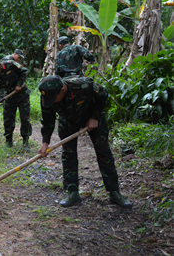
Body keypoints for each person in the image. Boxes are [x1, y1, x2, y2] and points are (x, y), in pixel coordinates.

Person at [37, 75, 132, 209]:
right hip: (68, 121)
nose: (51, 102)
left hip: (92, 118)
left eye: (53, 99)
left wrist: (94, 116)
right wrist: (45, 142)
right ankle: (72, 192)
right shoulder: (48, 96)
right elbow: (47, 120)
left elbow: (104, 95)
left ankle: (114, 192)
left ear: (63, 89)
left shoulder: (83, 85)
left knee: (104, 153)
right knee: (68, 154)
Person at [0, 56, 32, 148]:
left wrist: (19, 84)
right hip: (9, 96)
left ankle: (25, 141)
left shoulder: (10, 64)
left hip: (22, 95)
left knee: (25, 118)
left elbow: (24, 71)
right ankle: (8, 141)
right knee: (7, 119)